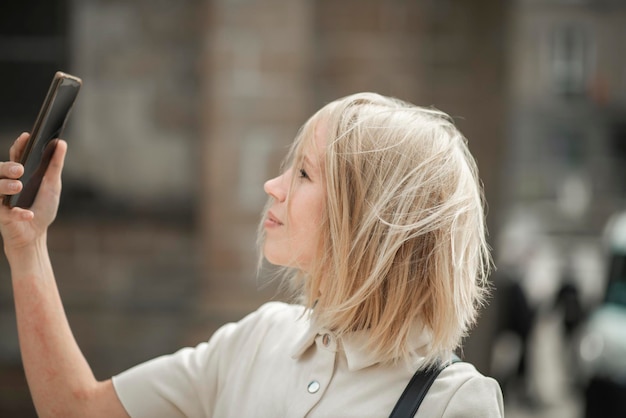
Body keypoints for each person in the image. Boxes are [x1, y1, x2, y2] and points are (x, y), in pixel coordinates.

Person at [0, 92, 504, 417]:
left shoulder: (453, 403)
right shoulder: (257, 338)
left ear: (368, 219)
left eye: (303, 173)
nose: (273, 186)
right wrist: (28, 245)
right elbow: (76, 409)